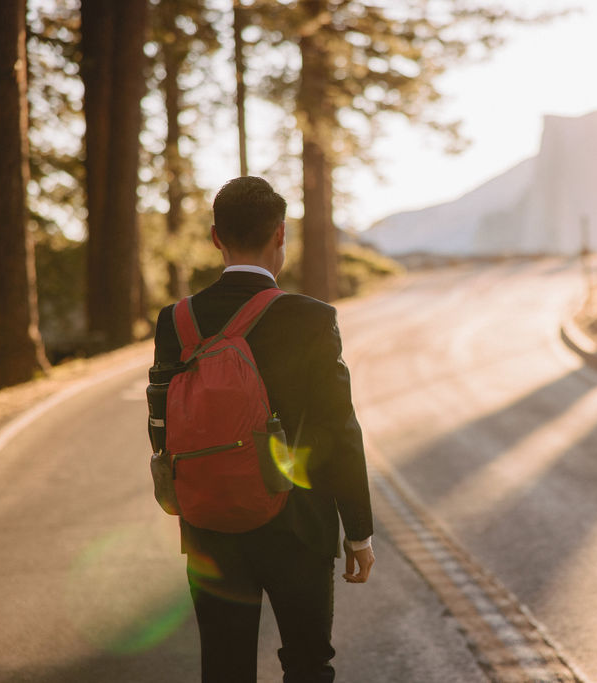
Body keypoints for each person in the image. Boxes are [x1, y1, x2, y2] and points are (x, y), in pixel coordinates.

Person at [153, 176, 375, 682]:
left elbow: (163, 426)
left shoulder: (176, 321)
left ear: (215, 237)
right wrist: (358, 532)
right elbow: (340, 430)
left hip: (210, 526)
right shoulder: (311, 319)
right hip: (299, 527)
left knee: (225, 669)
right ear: (280, 234)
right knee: (307, 664)